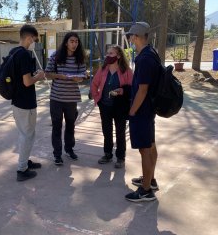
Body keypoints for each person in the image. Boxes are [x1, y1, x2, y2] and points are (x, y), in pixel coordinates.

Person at [124, 22, 161, 202]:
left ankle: (146, 190)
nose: (130, 39)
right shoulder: (151, 53)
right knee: (150, 144)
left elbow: (142, 90)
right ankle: (150, 180)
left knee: (144, 149)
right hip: (149, 109)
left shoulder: (144, 59)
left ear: (136, 37)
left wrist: (132, 111)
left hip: (142, 110)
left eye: (131, 36)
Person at [45, 32, 87, 165]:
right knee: (56, 127)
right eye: (72, 41)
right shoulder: (56, 57)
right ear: (66, 43)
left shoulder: (80, 58)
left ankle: (69, 149)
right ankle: (57, 155)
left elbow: (82, 76)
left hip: (71, 99)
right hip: (56, 98)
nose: (74, 44)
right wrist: (60, 76)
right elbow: (47, 74)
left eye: (76, 42)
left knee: (70, 126)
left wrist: (79, 78)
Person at [12, 25, 45, 181]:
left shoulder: (14, 52)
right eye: (34, 39)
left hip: (16, 101)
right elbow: (27, 82)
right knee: (28, 135)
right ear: (28, 38)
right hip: (26, 102)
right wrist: (39, 76)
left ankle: (24, 161)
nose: (34, 42)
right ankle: (22, 169)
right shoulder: (24, 55)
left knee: (24, 134)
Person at [90, 45, 133, 169]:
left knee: (120, 132)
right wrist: (97, 99)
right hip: (105, 106)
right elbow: (94, 84)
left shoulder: (126, 71)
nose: (108, 56)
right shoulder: (103, 69)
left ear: (118, 56)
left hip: (120, 107)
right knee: (107, 131)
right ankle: (107, 154)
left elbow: (133, 88)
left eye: (111, 53)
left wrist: (122, 91)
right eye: (107, 53)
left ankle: (120, 157)